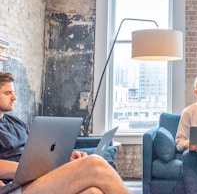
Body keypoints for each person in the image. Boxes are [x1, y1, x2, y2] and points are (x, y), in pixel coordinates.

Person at [0, 72, 130, 194]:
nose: (14, 97)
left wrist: (62, 159)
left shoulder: (15, 122)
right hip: (13, 187)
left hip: (33, 178)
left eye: (13, 92)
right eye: (7, 93)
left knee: (93, 192)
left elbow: (33, 154)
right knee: (95, 164)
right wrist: (32, 170)